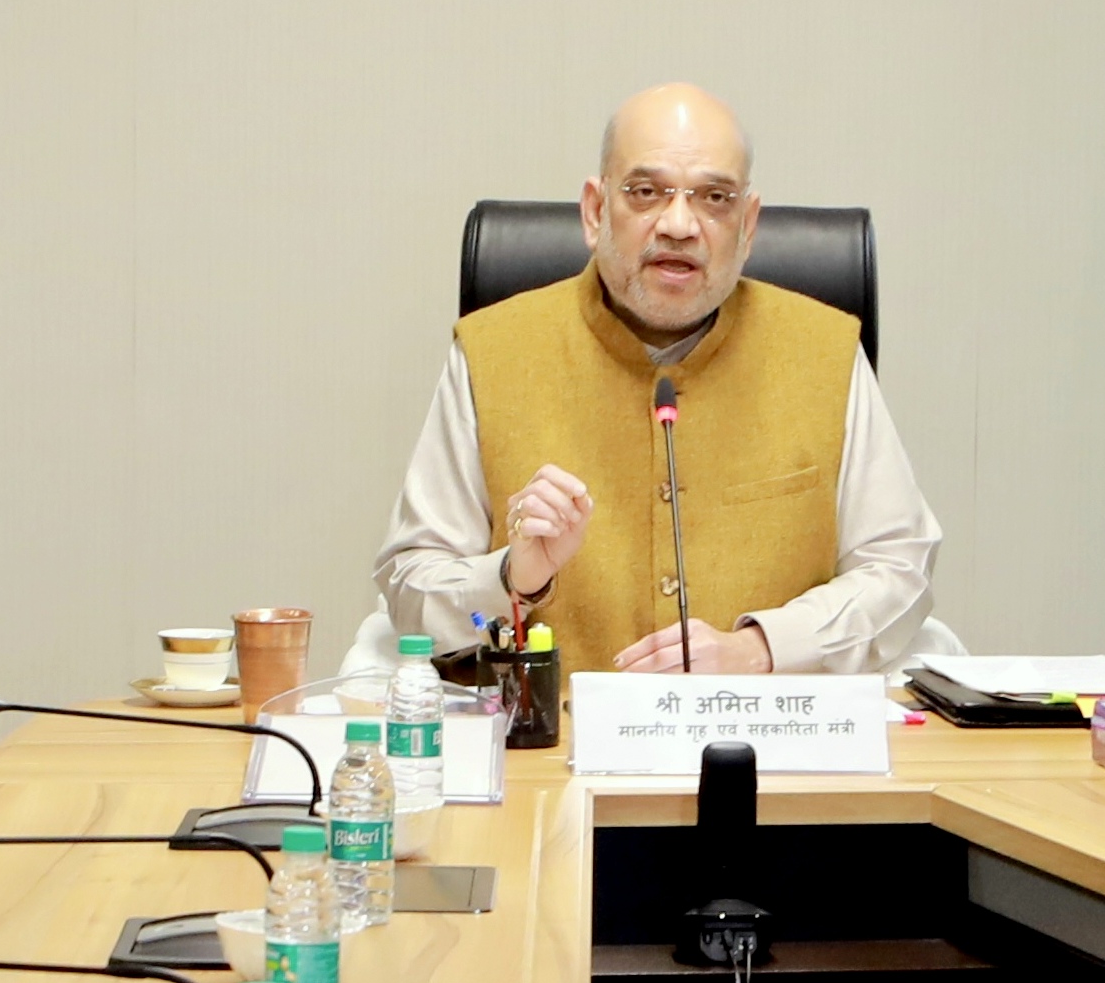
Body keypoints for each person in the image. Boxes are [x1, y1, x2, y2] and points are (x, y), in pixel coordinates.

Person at [373, 84, 942, 675]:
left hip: (765, 744)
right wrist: (512, 577)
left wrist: (761, 650)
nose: (678, 224)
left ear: (747, 225)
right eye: (645, 193)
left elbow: (899, 569)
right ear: (596, 212)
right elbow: (412, 587)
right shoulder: (493, 351)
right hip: (548, 747)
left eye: (714, 198)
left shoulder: (824, 351)